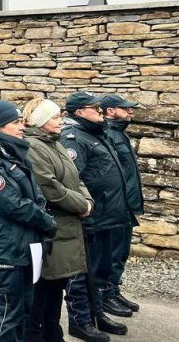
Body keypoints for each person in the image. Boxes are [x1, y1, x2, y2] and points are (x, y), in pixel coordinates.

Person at [0, 100, 57, 342]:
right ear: (0, 127)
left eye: (21, 121)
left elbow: (35, 195)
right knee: (7, 313)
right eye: (15, 122)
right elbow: (12, 204)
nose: (22, 127)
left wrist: (42, 218)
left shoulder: (13, 154)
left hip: (25, 245)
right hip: (6, 249)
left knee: (23, 311)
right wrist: (47, 222)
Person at [22, 98, 99, 342]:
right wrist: (81, 205)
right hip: (54, 229)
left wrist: (87, 202)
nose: (61, 121)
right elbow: (50, 188)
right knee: (43, 289)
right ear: (41, 121)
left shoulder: (55, 143)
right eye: (55, 117)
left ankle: (52, 333)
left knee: (56, 287)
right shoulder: (34, 147)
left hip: (67, 228)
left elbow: (76, 179)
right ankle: (38, 335)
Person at [61, 92, 133, 337]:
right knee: (84, 274)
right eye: (95, 108)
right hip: (93, 216)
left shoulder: (96, 133)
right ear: (80, 112)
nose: (101, 111)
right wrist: (85, 208)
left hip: (108, 216)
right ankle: (81, 321)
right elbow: (73, 179)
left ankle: (97, 314)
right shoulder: (74, 138)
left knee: (101, 270)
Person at [101, 94, 142, 314]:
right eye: (125, 109)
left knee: (122, 251)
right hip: (115, 205)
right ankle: (106, 295)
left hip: (126, 205)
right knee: (113, 253)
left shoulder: (119, 133)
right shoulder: (107, 134)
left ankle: (114, 289)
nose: (130, 112)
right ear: (110, 111)